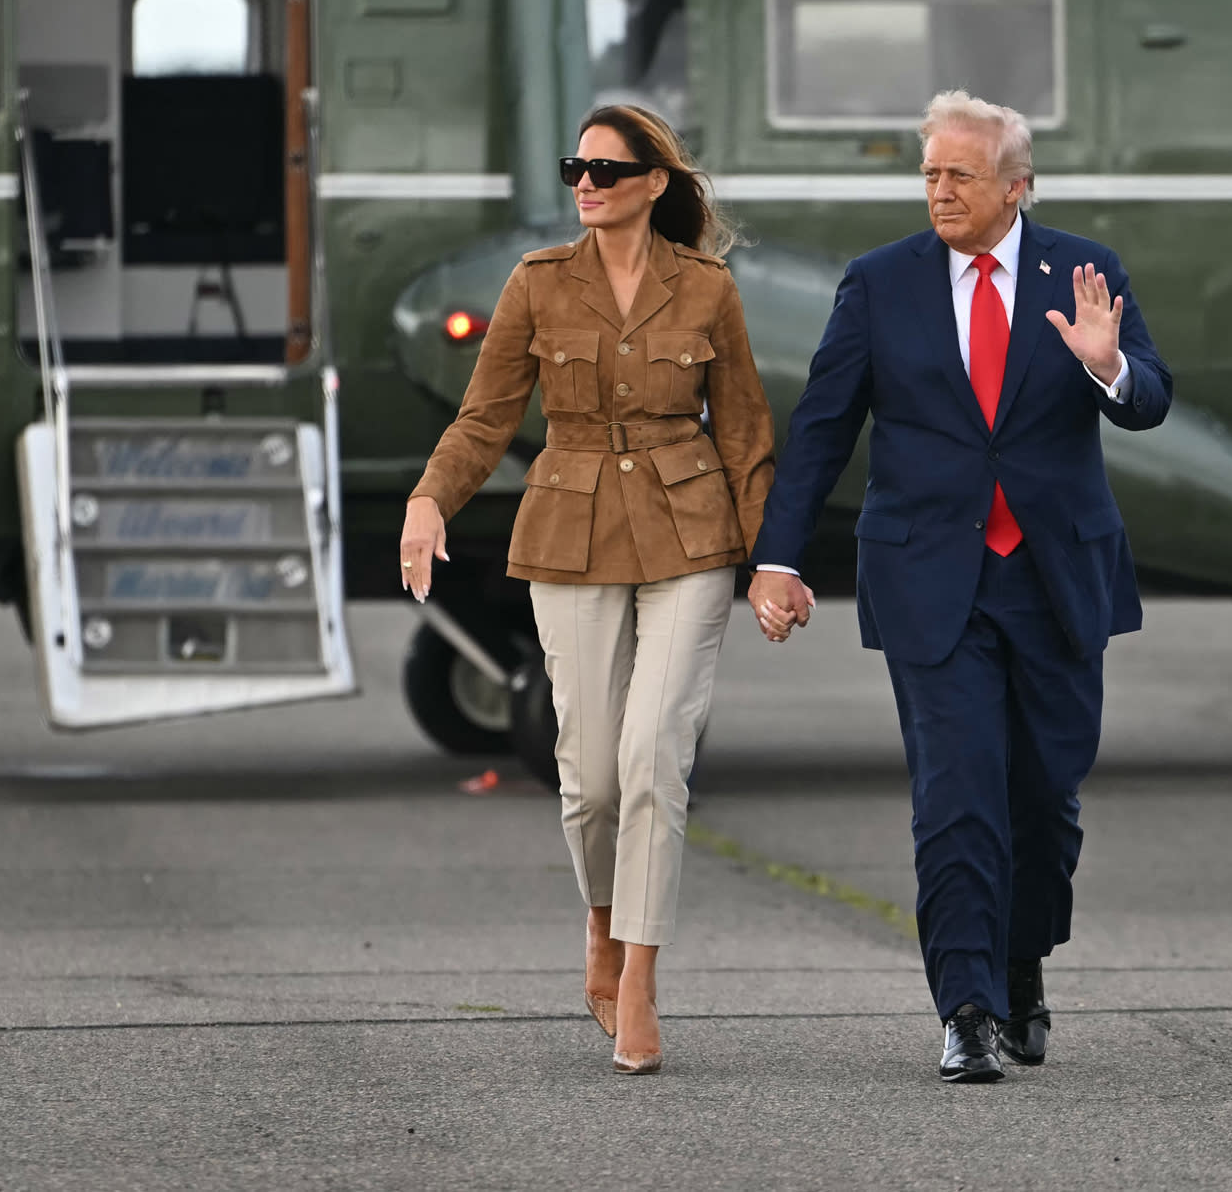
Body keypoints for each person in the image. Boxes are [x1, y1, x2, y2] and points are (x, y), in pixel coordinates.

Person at [748, 90, 1171, 1083]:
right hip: (930, 577)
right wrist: (778, 554)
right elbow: (821, 428)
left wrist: (1109, 366)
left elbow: (1151, 398)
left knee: (1043, 799)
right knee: (955, 793)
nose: (939, 190)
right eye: (929, 173)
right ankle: (966, 1006)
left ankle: (1020, 963)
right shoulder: (879, 283)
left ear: (1016, 187)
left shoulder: (1085, 271)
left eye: (960, 175)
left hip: (1054, 574)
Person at [401, 105, 774, 1075]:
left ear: (655, 182)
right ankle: (602, 920)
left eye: (609, 167)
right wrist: (428, 500)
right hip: (567, 527)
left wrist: (773, 559)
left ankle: (642, 973)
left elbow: (743, 434)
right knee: (592, 774)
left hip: (690, 530)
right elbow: (485, 418)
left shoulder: (707, 289)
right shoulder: (537, 285)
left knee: (656, 755)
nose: (588, 180)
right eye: (579, 165)